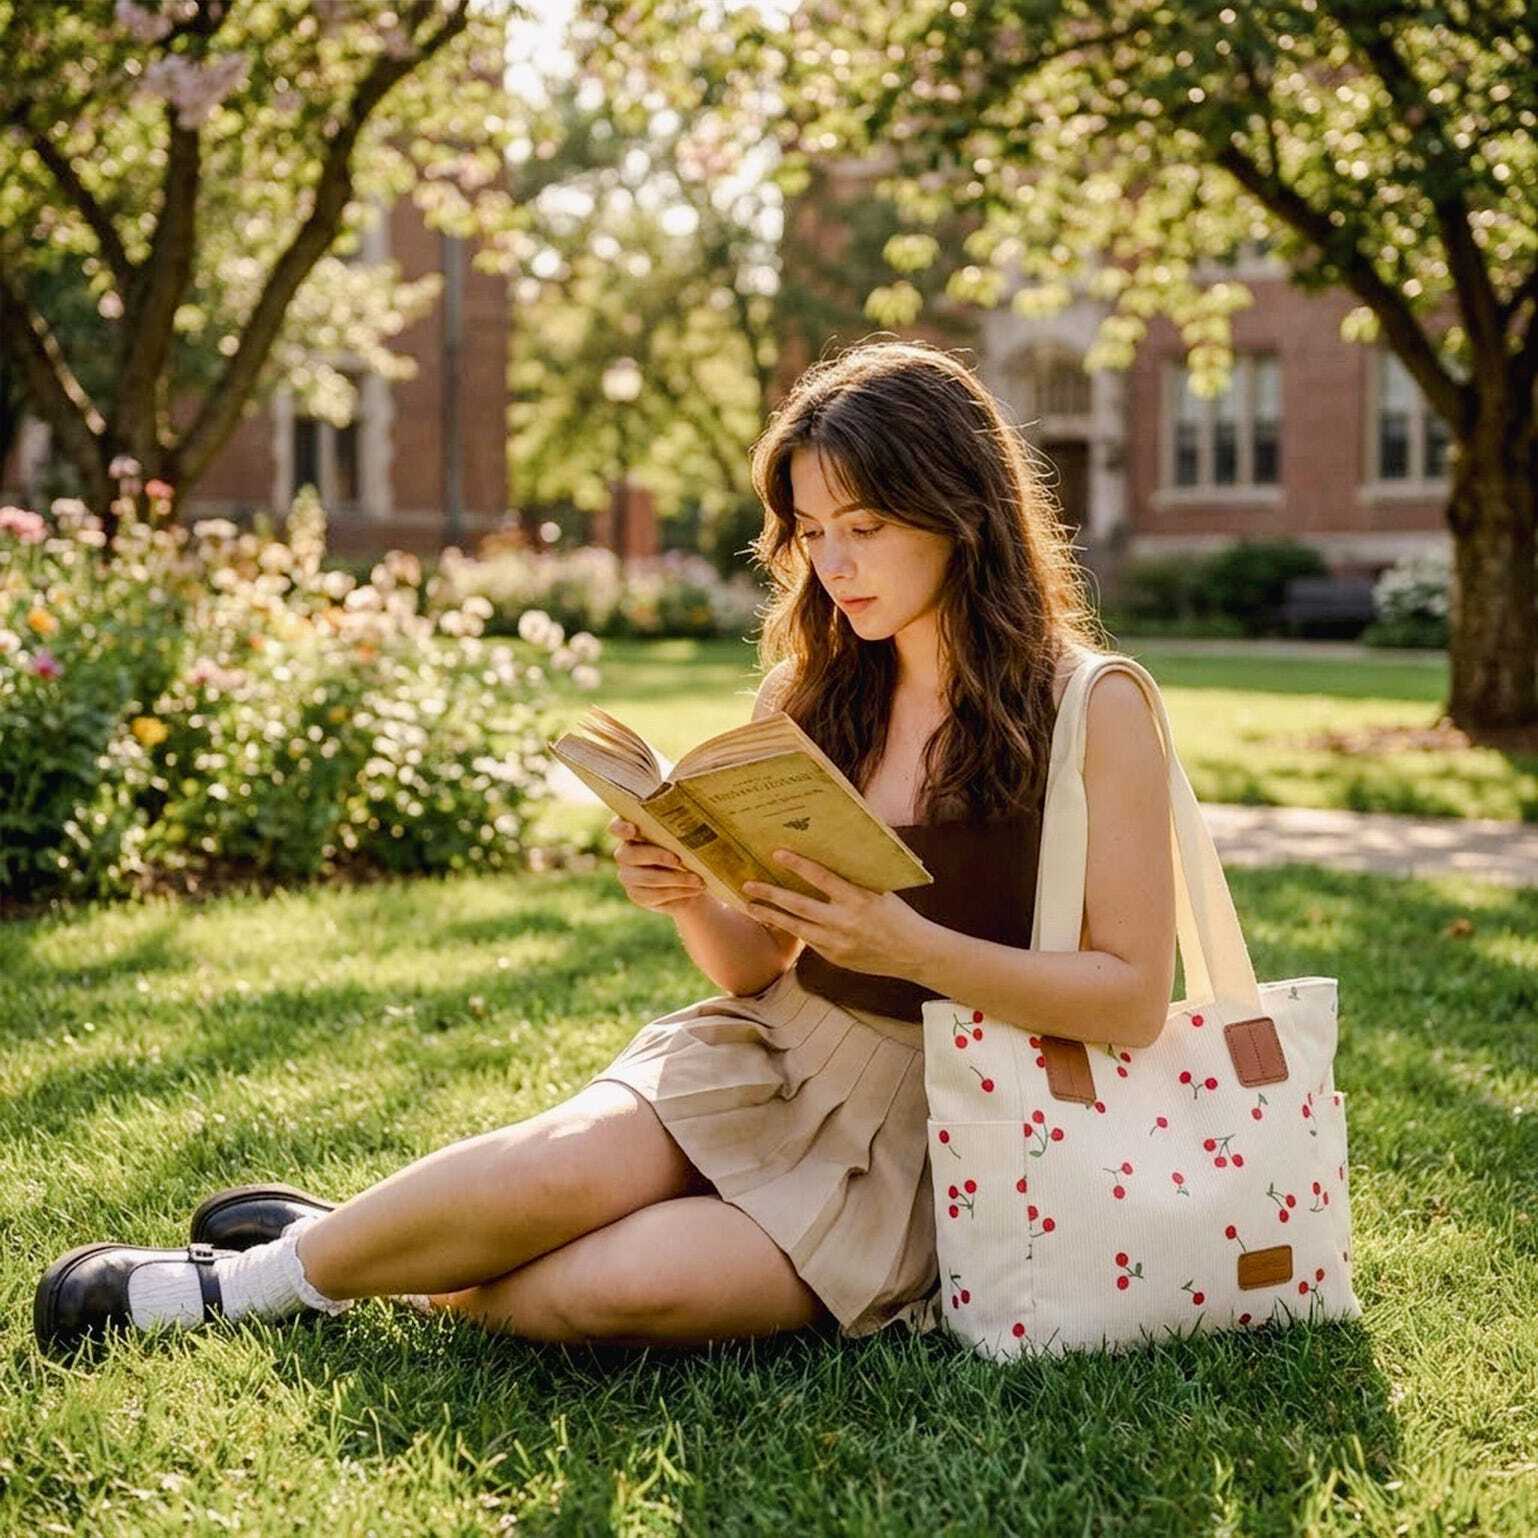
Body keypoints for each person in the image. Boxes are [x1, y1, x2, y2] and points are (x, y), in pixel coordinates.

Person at [33, 338, 1175, 1358]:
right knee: (559, 1169)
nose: (835, 563)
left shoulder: (1090, 705)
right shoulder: (815, 692)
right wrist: (685, 892)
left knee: (617, 1284)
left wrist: (909, 945)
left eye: (865, 527)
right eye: (813, 532)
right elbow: (752, 969)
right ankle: (237, 1287)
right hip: (772, 1047)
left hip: (935, 1129)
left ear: (959, 511)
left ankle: (356, 1250)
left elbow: (1129, 997)